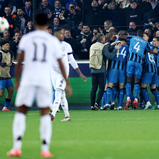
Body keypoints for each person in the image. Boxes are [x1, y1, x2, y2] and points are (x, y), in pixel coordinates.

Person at [6, 11, 72, 158]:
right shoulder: (53, 41)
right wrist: (67, 83)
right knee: (44, 114)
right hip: (44, 81)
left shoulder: (27, 39)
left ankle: (16, 148)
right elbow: (61, 63)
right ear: (47, 24)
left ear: (35, 23)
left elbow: (20, 62)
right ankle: (45, 149)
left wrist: (17, 81)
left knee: (21, 112)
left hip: (29, 79)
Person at [50, 27, 86, 121]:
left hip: (63, 73)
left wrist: (80, 74)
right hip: (53, 72)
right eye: (61, 33)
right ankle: (67, 116)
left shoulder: (66, 46)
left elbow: (72, 61)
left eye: (64, 33)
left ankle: (52, 114)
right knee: (62, 94)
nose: (64, 35)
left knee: (58, 91)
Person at [119, 30, 158, 110]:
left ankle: (128, 98)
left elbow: (121, 37)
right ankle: (136, 99)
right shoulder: (145, 42)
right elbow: (150, 51)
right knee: (137, 82)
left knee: (129, 81)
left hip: (130, 61)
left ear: (137, 34)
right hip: (139, 63)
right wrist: (155, 51)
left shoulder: (132, 37)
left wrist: (122, 37)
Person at [89, 33, 121, 110]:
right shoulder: (103, 47)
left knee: (94, 88)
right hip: (101, 69)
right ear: (102, 39)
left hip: (93, 69)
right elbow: (109, 56)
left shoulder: (92, 46)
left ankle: (92, 105)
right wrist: (115, 49)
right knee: (102, 87)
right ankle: (97, 103)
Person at [104, 40, 129, 110]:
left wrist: (113, 43)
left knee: (109, 85)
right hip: (122, 69)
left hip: (113, 68)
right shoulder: (128, 48)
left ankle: (106, 103)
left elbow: (107, 48)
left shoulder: (115, 46)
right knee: (121, 87)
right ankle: (120, 105)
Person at [141, 37, 159, 109]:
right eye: (152, 41)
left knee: (142, 86)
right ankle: (158, 104)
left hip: (149, 69)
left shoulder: (148, 48)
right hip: (155, 70)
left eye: (154, 41)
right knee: (153, 88)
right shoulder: (153, 49)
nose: (153, 42)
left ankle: (148, 103)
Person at [0, 40, 14, 111]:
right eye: (6, 45)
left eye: (8, 45)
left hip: (8, 76)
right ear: (2, 46)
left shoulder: (9, 53)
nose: (8, 46)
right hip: (1, 77)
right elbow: (5, 63)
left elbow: (10, 63)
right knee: (1, 94)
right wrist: (5, 64)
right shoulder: (0, 53)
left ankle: (5, 107)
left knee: (11, 91)